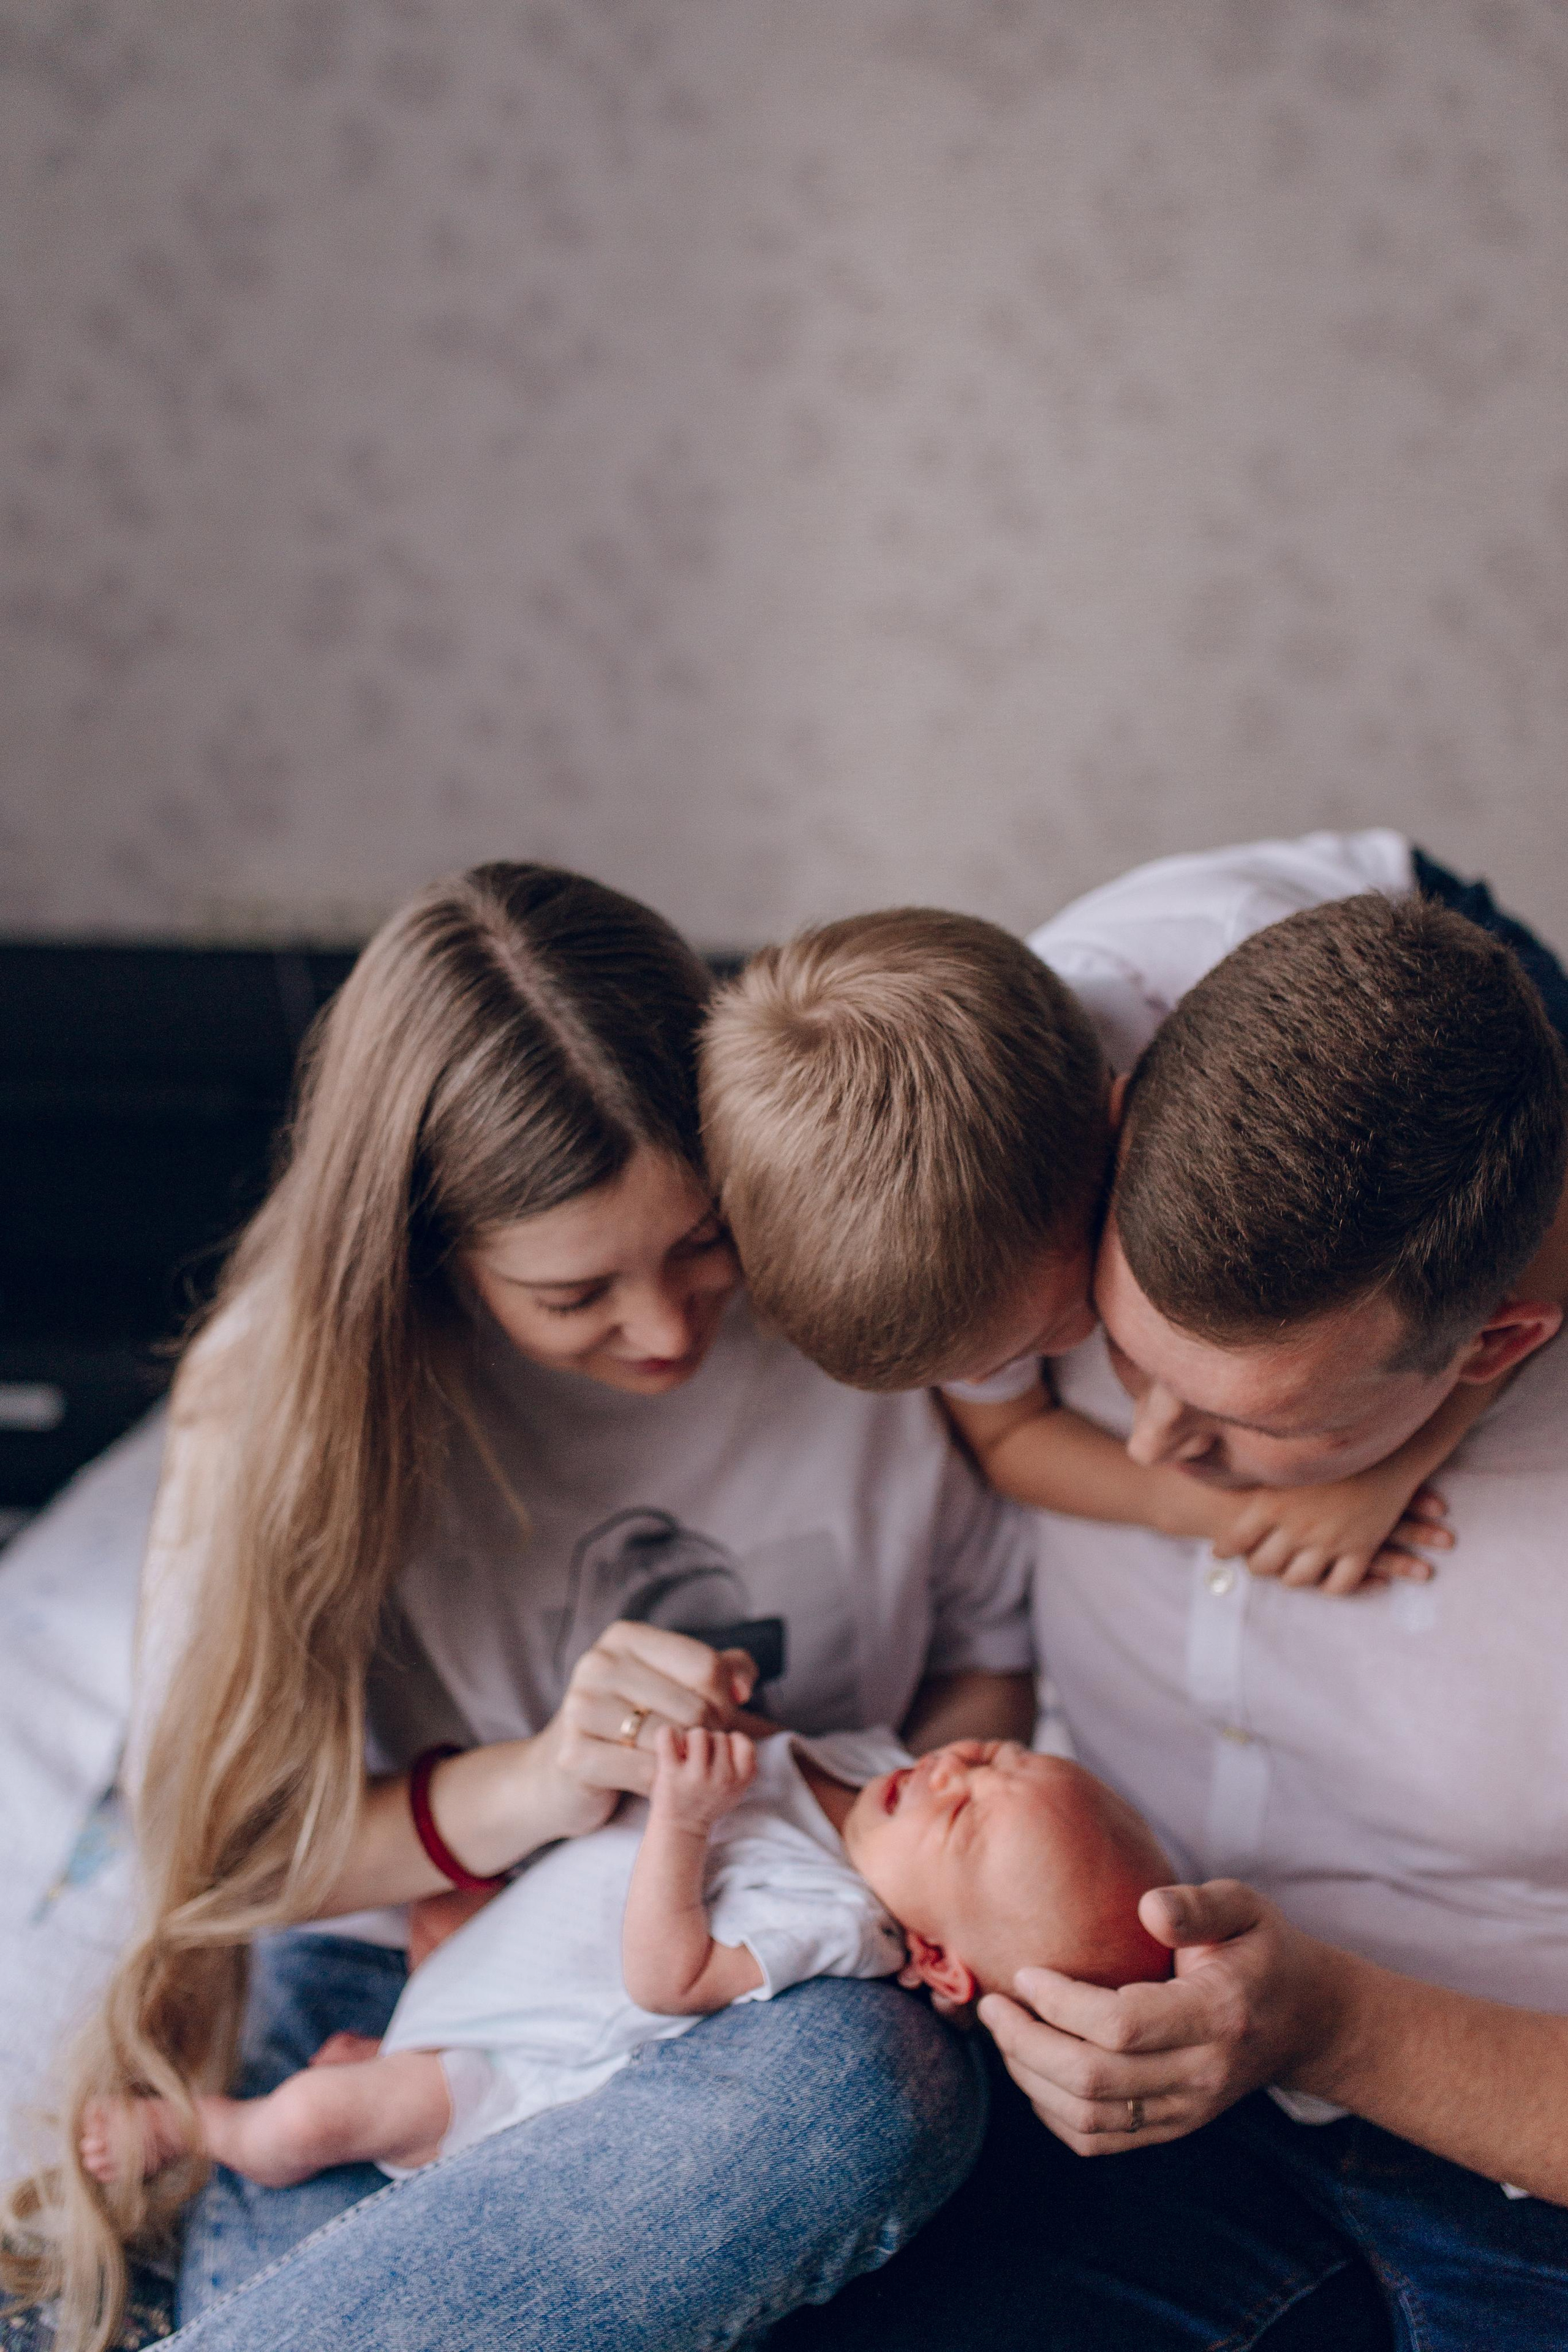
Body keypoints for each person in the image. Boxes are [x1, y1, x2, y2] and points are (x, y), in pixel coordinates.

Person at [3, 863, 1039, 2352]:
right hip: (420, 2004)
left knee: (867, 2089)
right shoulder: (295, 1396)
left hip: (780, 1996)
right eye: (573, 1296)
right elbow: (228, 1851)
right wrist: (546, 1784)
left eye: (701, 1243)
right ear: (432, 1253)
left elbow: (986, 1668)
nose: (669, 1328)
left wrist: (909, 1878)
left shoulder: (848, 1273)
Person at [705, 834, 1568, 2349]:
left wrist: (1329, 2023)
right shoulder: (1040, 1122)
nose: (1161, 1451)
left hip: (1494, 2165)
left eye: (1258, 1427)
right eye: (1105, 1355)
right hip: (1134, 2126)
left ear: (1487, 1352)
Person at [83, 1727, 1171, 2193]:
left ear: (933, 1959)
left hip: (501, 2070)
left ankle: (210, 2130)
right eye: (999, 1759)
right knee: (432, 1894)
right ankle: (394, 2030)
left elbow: (669, 1977)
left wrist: (686, 1819)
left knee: (318, 2123)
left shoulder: (840, 1922)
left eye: (969, 1823)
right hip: (500, 1962)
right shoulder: (866, 1773)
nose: (953, 1773)